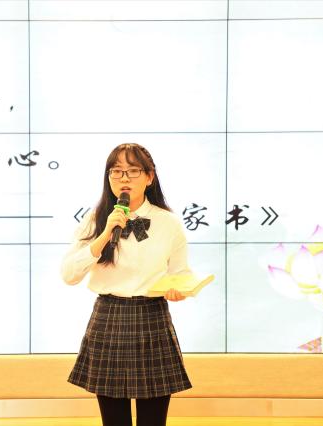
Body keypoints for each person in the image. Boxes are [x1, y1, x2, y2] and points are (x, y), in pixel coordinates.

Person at [61, 143, 193, 426]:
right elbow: (69, 275)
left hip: (152, 318)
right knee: (114, 421)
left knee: (153, 421)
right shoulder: (95, 219)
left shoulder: (168, 222)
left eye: (133, 171)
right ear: (108, 177)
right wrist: (105, 233)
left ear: (149, 177)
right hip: (108, 319)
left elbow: (181, 273)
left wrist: (178, 290)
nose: (124, 178)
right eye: (116, 171)